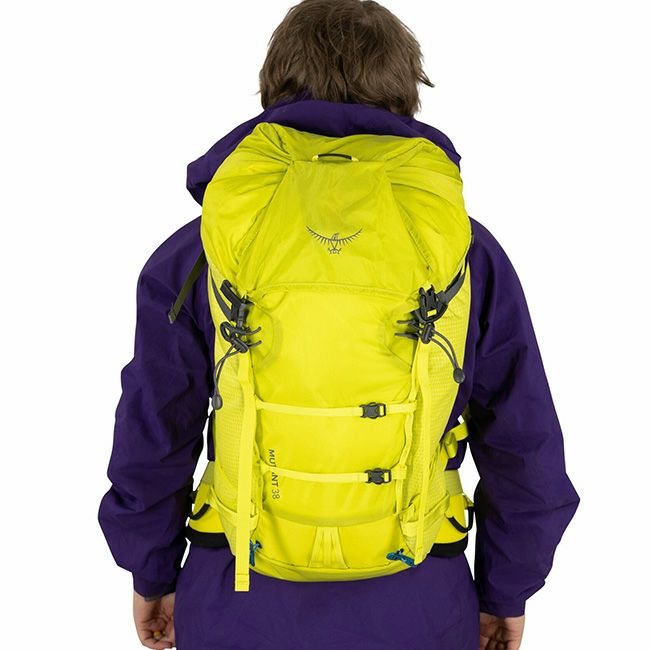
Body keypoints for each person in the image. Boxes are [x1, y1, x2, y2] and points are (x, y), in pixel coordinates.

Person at [97, 1, 580, 648]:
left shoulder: (203, 247)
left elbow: (153, 431)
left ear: (273, 88)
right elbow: (526, 448)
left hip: (238, 593)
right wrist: (505, 592)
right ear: (406, 96)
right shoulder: (465, 252)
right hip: (417, 600)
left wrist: (150, 571)